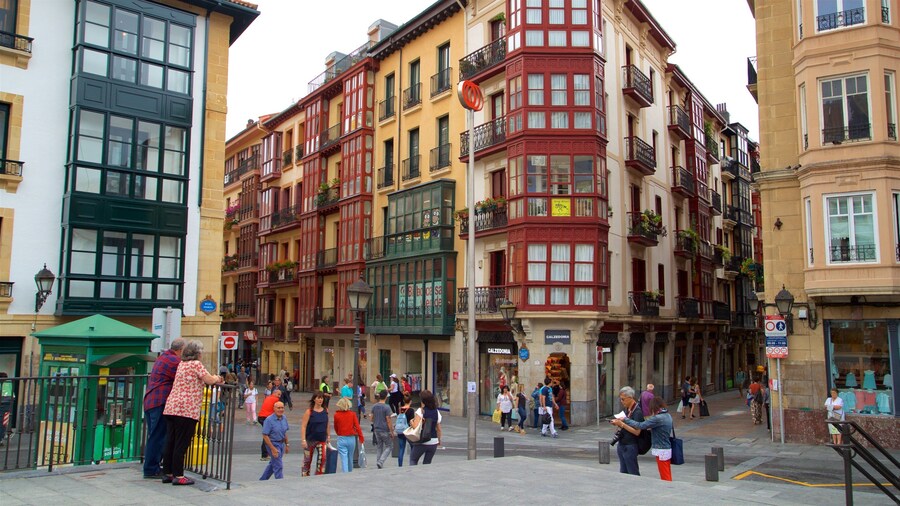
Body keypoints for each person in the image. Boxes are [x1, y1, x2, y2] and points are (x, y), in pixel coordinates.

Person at [161, 340, 223, 486]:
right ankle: (179, 475)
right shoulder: (196, 364)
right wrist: (217, 378)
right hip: (186, 409)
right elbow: (208, 380)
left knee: (171, 441)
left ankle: (167, 473)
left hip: (172, 407)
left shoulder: (181, 364)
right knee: (181, 443)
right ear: (197, 353)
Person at [141, 337, 185, 480]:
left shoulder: (163, 357)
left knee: (155, 435)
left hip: (151, 400)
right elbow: (187, 374)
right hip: (159, 401)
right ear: (181, 350)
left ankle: (153, 465)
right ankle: (151, 468)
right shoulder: (174, 361)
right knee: (158, 436)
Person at [612, 396, 673, 481]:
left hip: (661, 448)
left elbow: (640, 425)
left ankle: (668, 488)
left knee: (665, 474)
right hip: (666, 447)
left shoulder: (658, 418)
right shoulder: (667, 415)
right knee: (666, 470)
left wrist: (625, 420)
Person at [612, 386, 644, 476]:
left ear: (630, 398)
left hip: (630, 445)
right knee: (623, 472)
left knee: (632, 472)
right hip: (622, 443)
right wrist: (618, 424)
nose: (622, 402)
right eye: (621, 399)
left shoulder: (637, 411)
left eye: (623, 399)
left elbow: (637, 431)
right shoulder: (627, 409)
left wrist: (622, 424)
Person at [300, 392, 331, 476]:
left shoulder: (325, 410)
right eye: (318, 398)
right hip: (310, 439)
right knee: (307, 460)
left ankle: (319, 474)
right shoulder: (309, 411)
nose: (320, 400)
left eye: (321, 398)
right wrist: (303, 440)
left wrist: (328, 435)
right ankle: (305, 475)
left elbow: (327, 424)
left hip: (321, 439)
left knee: (323, 458)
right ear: (314, 399)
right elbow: (303, 426)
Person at [409, 389, 442, 465]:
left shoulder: (420, 411)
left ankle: (413, 475)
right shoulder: (436, 411)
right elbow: (439, 429)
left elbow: (415, 426)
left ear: (423, 401)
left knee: (413, 459)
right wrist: (439, 440)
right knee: (427, 463)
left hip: (422, 441)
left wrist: (411, 421)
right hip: (433, 441)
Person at [259, 401, 289, 480]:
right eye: (278, 408)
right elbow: (265, 435)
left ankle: (262, 480)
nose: (280, 410)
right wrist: (273, 449)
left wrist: (287, 444)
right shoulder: (269, 420)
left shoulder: (284, 418)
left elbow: (284, 432)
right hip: (273, 443)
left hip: (281, 443)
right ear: (274, 409)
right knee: (278, 465)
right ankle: (280, 482)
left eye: (282, 408)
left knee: (273, 464)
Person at [333, 397, 364, 473]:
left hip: (342, 438)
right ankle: (350, 472)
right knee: (350, 458)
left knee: (344, 458)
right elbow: (357, 426)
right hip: (351, 438)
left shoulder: (336, 415)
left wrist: (339, 433)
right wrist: (361, 437)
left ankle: (345, 473)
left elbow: (336, 427)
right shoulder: (352, 414)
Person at [370, 389, 394, 468]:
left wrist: (376, 421)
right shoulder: (387, 407)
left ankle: (378, 462)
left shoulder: (374, 406)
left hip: (376, 429)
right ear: (386, 397)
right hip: (384, 429)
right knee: (389, 446)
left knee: (379, 446)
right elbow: (388, 420)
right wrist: (392, 431)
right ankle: (381, 461)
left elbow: (371, 418)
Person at [257, 389, 282, 460]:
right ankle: (265, 454)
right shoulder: (276, 400)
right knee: (267, 436)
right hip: (266, 418)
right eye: (278, 394)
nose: (279, 396)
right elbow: (277, 410)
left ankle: (267, 453)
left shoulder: (268, 398)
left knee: (267, 434)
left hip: (261, 417)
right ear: (274, 393)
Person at [396, 393, 414, 466]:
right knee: (412, 447)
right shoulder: (411, 410)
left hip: (400, 430)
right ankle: (412, 462)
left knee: (401, 448)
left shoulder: (400, 409)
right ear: (410, 401)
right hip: (408, 430)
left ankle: (400, 465)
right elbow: (411, 421)